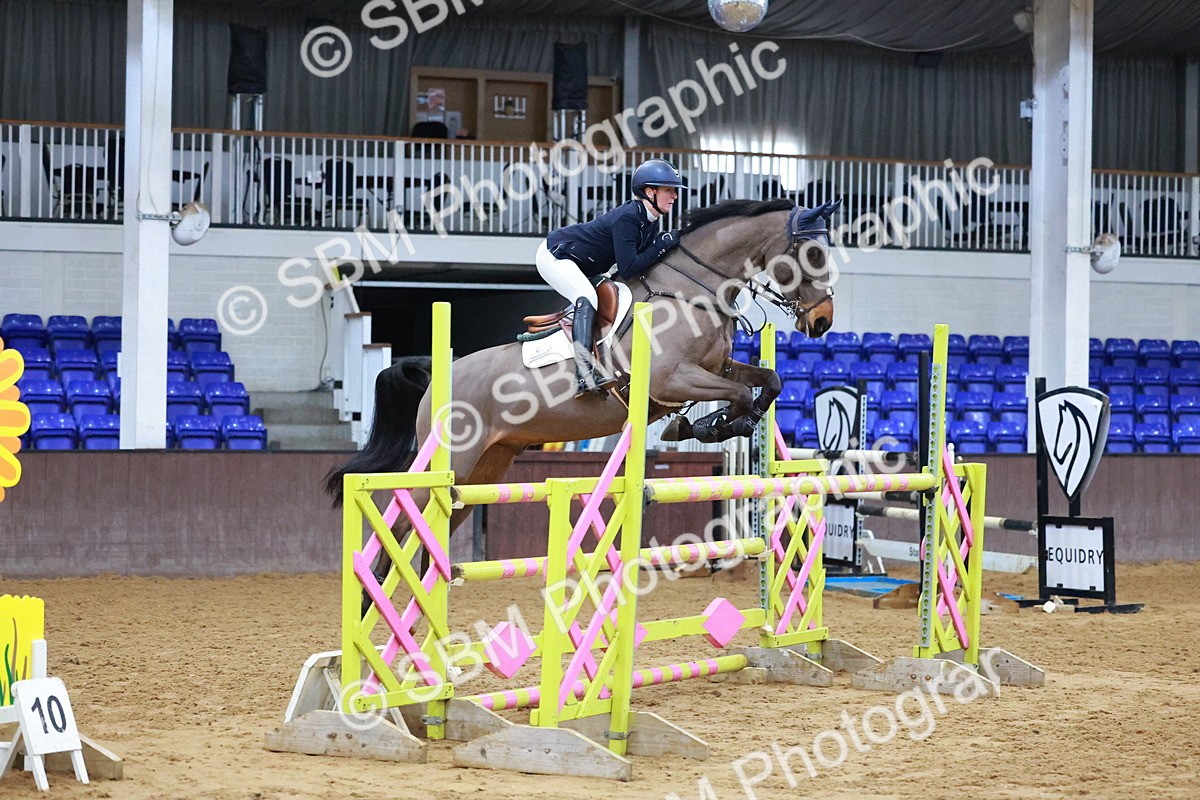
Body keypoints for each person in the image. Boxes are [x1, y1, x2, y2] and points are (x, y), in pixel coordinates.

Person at [536, 158, 685, 396]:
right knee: (586, 297)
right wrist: (661, 244)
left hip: (586, 263)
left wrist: (660, 243)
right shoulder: (629, 217)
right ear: (650, 192)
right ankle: (583, 373)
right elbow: (629, 268)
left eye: (674, 191)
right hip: (556, 255)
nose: (674, 196)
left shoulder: (650, 222)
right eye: (669, 190)